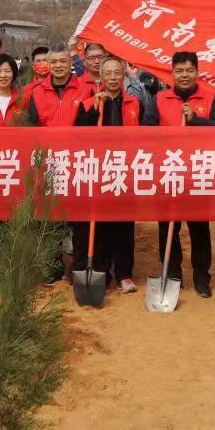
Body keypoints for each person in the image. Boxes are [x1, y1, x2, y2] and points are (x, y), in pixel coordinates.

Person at [148, 52, 215, 297]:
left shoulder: (210, 98)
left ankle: (202, 278)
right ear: (172, 73)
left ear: (197, 72)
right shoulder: (159, 98)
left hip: (197, 171)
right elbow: (147, 130)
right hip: (167, 171)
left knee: (199, 227)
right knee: (167, 227)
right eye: (179, 71)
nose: (185, 75)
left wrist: (196, 121)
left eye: (189, 70)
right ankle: (173, 275)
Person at [73, 56, 141, 294]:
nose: (113, 77)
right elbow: (78, 135)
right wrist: (93, 109)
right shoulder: (88, 103)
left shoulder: (134, 103)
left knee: (123, 224)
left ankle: (124, 274)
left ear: (124, 76)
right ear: (100, 77)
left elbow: (145, 135)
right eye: (108, 73)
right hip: (98, 169)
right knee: (99, 224)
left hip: (124, 169)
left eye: (117, 73)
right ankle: (101, 271)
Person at [28, 44, 94, 286]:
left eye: (63, 61)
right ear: (48, 64)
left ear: (71, 63)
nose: (58, 66)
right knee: (49, 216)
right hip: (48, 164)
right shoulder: (37, 92)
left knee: (79, 218)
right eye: (53, 61)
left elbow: (90, 125)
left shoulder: (86, 89)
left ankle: (78, 267)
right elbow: (32, 128)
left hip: (76, 163)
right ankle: (52, 266)